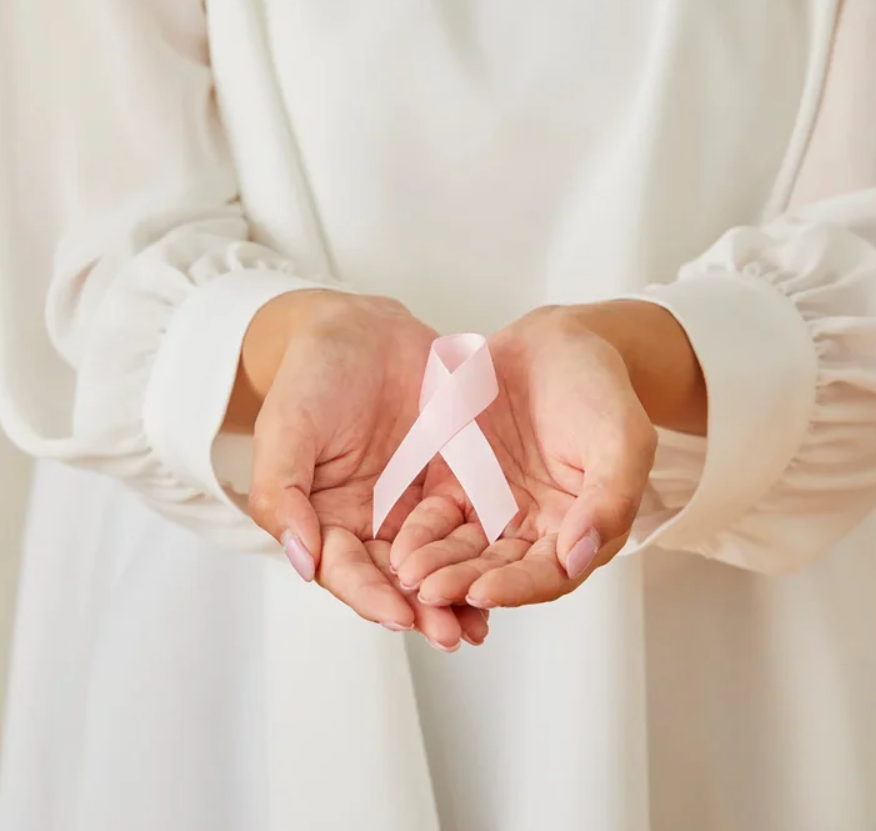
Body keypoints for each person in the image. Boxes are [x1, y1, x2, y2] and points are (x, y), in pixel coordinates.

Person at [1, 0, 875, 828]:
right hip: (236, 573)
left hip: (727, 596)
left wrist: (658, 356)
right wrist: (277, 341)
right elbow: (85, 216)